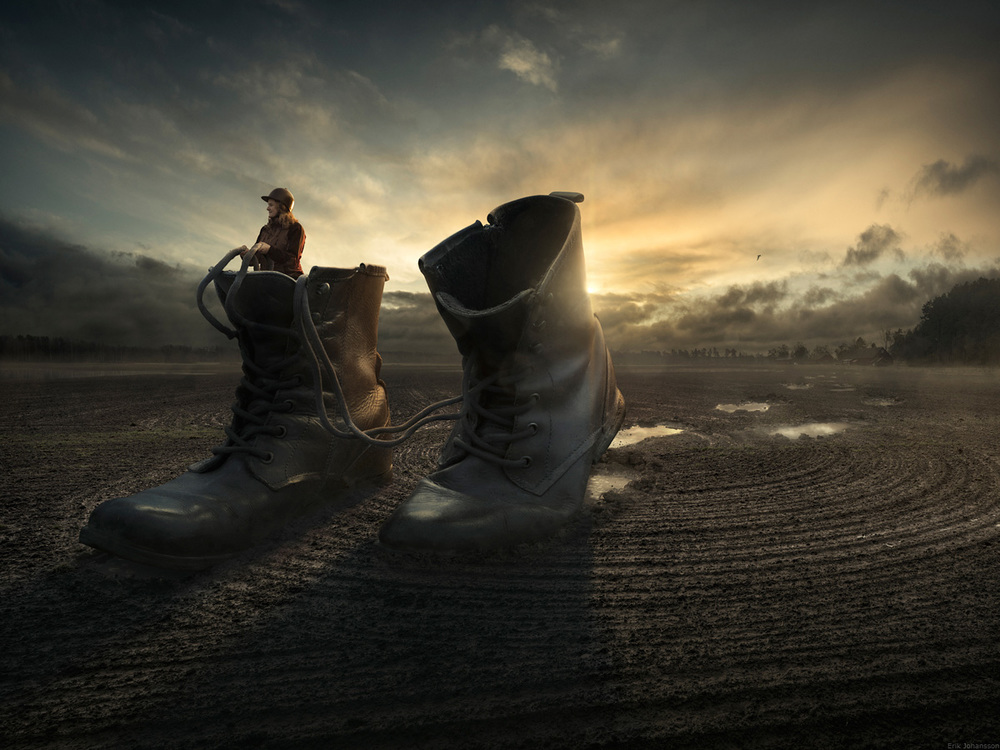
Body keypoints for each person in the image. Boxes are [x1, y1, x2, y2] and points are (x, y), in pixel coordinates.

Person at [241, 187, 306, 277]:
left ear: (281, 207)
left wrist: (269, 250)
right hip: (267, 278)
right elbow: (255, 260)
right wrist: (246, 254)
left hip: (288, 279)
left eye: (271, 205)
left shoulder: (295, 228)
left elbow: (292, 261)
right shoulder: (265, 230)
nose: (267, 208)